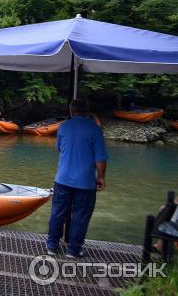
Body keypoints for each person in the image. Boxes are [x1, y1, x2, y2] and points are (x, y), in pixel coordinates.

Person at [46, 99, 107, 258]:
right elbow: (100, 158)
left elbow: (59, 149)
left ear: (71, 111)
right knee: (81, 215)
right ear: (86, 111)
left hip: (62, 179)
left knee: (57, 212)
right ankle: (73, 250)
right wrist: (101, 177)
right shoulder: (95, 129)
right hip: (85, 182)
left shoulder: (63, 127)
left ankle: (52, 246)